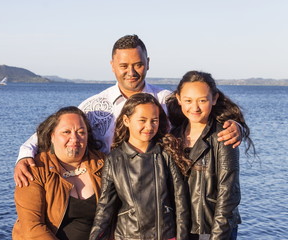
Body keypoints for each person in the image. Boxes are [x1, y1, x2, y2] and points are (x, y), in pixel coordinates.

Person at [14, 34, 242, 187]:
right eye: (124, 66)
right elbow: (52, 132)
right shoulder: (94, 106)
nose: (131, 72)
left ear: (148, 62)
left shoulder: (167, 101)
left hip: (161, 196)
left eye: (138, 64)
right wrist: (25, 155)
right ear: (112, 65)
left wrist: (238, 127)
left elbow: (205, 111)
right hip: (109, 195)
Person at [166, 71, 255, 240]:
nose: (195, 107)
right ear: (179, 99)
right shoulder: (174, 135)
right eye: (188, 100)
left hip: (211, 227)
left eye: (202, 100)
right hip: (182, 227)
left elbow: (228, 193)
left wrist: (217, 235)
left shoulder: (224, 136)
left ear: (214, 99)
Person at [89, 93, 190, 240]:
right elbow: (105, 208)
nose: (149, 127)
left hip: (165, 235)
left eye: (154, 121)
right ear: (126, 120)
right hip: (128, 236)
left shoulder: (166, 153)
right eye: (142, 120)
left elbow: (181, 202)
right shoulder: (114, 159)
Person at [12, 106, 105, 240]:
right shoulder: (35, 170)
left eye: (81, 132)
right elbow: (32, 227)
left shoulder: (103, 165)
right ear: (52, 136)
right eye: (66, 132)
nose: (75, 138)